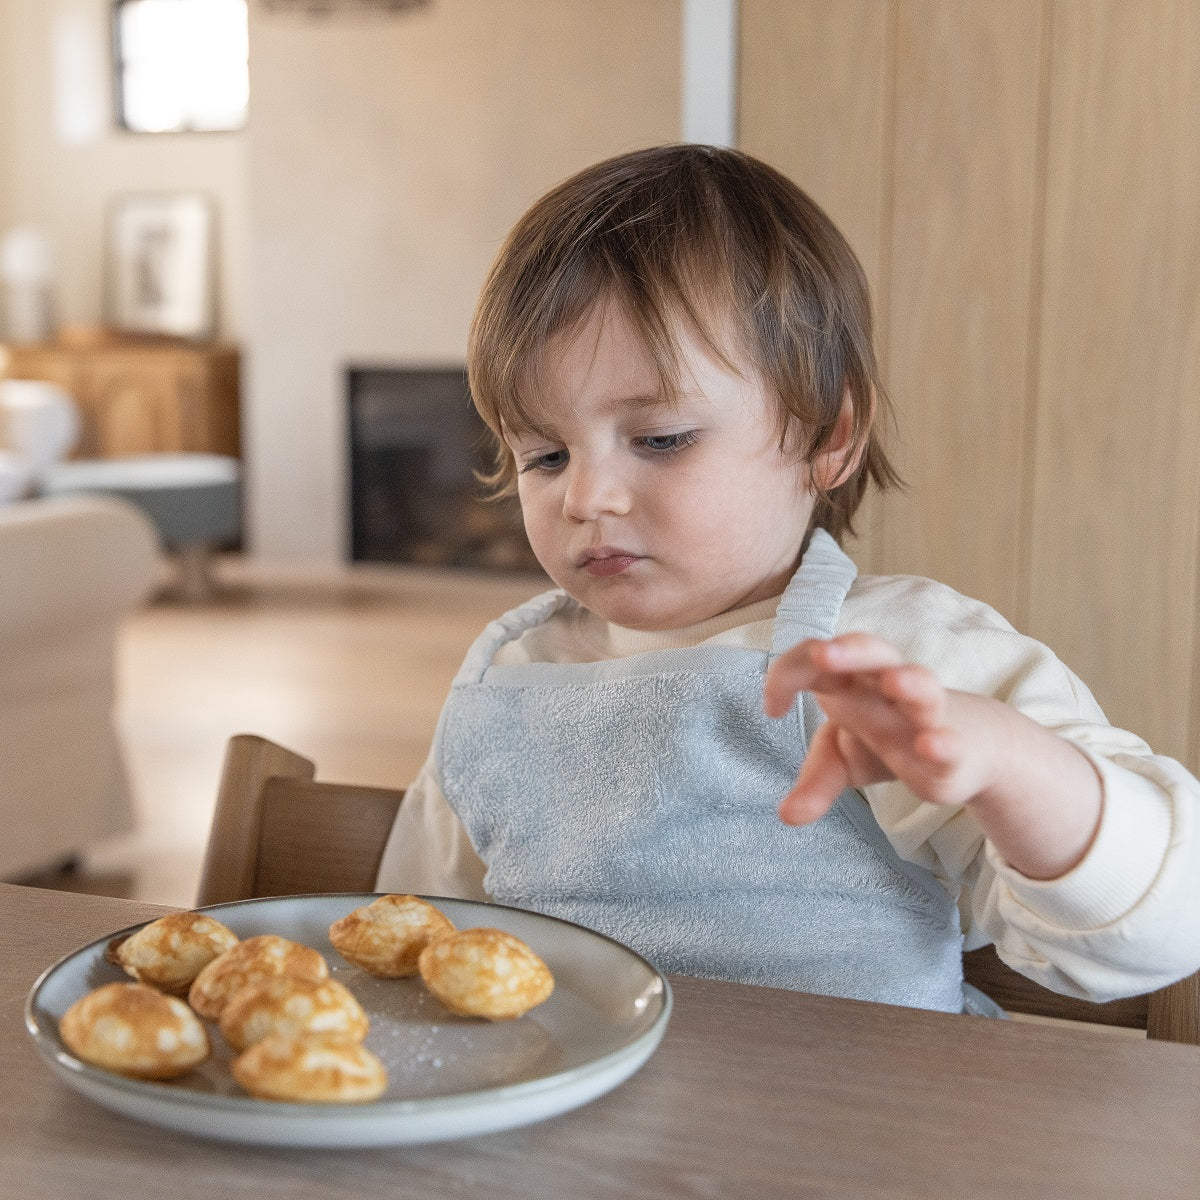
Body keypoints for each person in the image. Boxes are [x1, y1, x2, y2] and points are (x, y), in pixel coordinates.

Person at [376, 143, 1200, 1013]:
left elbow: (1162, 926)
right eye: (544, 455)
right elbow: (419, 951)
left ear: (826, 436)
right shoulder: (507, 680)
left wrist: (1008, 765)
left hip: (857, 1137)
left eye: (659, 438)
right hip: (575, 1142)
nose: (587, 496)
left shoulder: (903, 662)